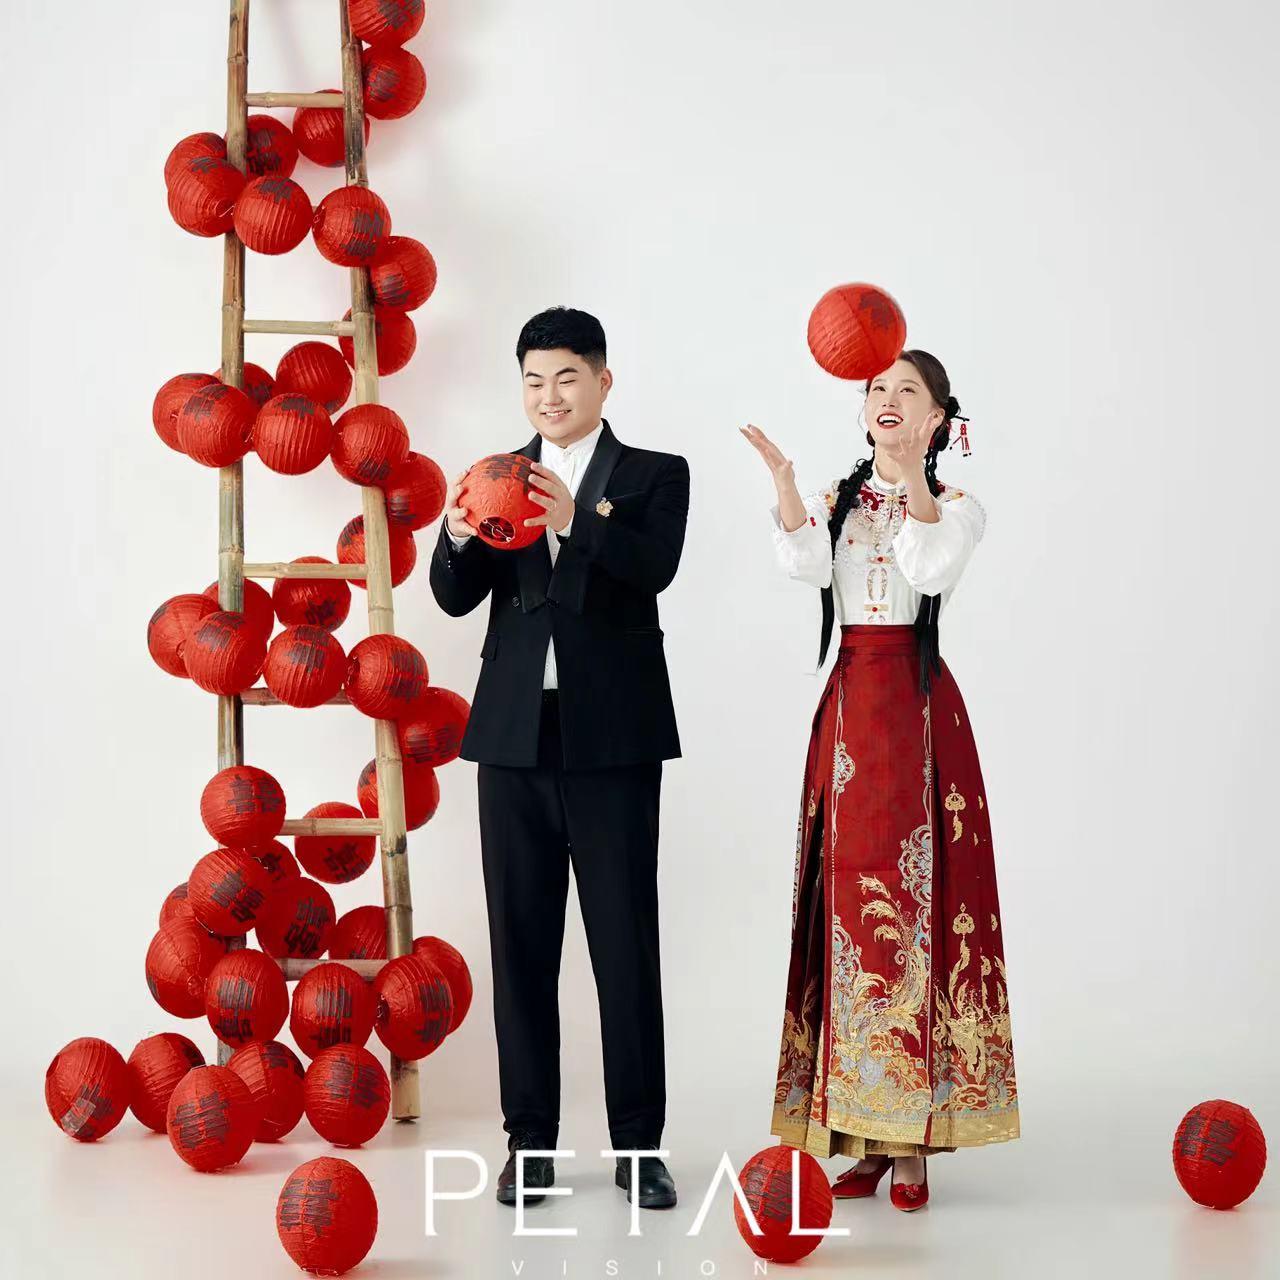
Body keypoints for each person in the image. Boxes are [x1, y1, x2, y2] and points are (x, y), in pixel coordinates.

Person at [740, 349, 1020, 1213]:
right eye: (876, 389)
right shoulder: (839, 501)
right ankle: (858, 1135)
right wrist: (786, 484)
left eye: (907, 391)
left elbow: (930, 568)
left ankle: (912, 1147)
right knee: (845, 910)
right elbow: (803, 566)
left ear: (938, 419)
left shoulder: (959, 506)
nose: (887, 398)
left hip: (917, 714)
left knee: (915, 907)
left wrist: (912, 478)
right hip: (849, 707)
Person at [429, 306, 689, 1210]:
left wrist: (577, 520)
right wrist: (458, 536)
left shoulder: (655, 474)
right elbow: (455, 597)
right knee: (521, 949)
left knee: (625, 947)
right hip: (511, 741)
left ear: (602, 381)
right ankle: (529, 1143)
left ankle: (638, 1148)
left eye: (567, 377)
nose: (549, 395)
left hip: (614, 742)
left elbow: (654, 569)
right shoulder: (496, 476)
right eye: (534, 380)